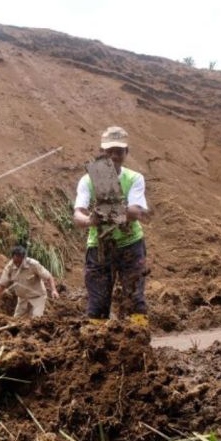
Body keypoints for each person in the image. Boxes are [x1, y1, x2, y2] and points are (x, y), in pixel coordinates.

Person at [73, 126, 150, 326]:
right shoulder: (88, 179)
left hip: (130, 245)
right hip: (99, 246)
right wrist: (91, 220)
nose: (114, 156)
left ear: (126, 153)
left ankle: (139, 344)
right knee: (97, 304)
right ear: (101, 151)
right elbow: (77, 215)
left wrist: (108, 210)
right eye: (109, 151)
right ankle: (96, 346)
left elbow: (135, 213)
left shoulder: (134, 178)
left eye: (119, 151)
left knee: (135, 300)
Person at [0, 245, 59, 318]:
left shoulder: (33, 265)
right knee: (16, 320)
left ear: (24, 258)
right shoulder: (9, 267)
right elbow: (2, 285)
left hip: (37, 297)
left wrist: (54, 290)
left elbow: (49, 277)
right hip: (23, 298)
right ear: (12, 258)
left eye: (19, 262)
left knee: (36, 320)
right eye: (15, 262)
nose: (17, 264)